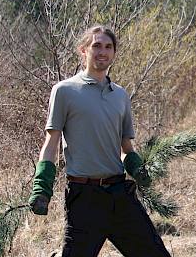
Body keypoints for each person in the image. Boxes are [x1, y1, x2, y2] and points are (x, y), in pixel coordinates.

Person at [27, 25, 171, 257]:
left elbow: (126, 149)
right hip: (85, 197)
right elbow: (51, 144)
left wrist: (137, 168)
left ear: (114, 53)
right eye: (96, 46)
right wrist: (42, 187)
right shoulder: (65, 91)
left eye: (108, 47)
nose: (102, 52)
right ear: (83, 50)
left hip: (120, 195)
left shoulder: (120, 96)